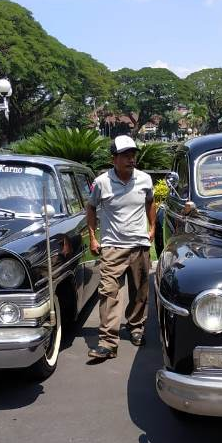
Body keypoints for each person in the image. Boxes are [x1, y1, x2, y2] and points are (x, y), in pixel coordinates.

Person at [86, 135, 155, 360]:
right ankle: (107, 342)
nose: (131, 159)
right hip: (112, 247)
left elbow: (150, 202)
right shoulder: (101, 182)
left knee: (140, 291)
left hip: (139, 246)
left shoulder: (145, 179)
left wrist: (152, 227)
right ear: (113, 158)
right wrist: (93, 237)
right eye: (125, 155)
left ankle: (135, 327)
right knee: (108, 293)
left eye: (133, 154)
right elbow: (91, 208)